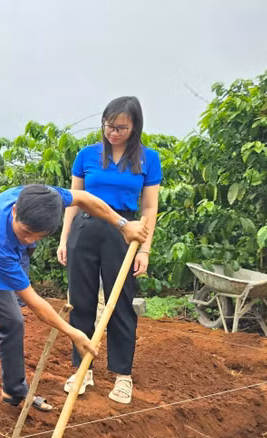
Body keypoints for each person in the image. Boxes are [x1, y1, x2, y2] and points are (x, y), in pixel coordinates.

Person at [0, 185, 148, 438]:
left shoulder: (43, 198)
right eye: (24, 233)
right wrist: (73, 332)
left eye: (37, 237)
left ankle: (14, 390)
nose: (28, 241)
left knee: (13, 321)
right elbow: (34, 302)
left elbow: (84, 198)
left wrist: (122, 224)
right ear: (14, 210)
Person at [57, 96, 161, 405]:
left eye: (121, 127)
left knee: (120, 302)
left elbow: (150, 206)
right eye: (108, 125)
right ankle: (83, 369)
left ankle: (122, 374)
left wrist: (144, 249)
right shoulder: (86, 155)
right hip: (85, 229)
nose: (113, 132)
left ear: (134, 127)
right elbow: (73, 200)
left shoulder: (148, 158)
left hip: (123, 233)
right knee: (80, 302)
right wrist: (64, 238)